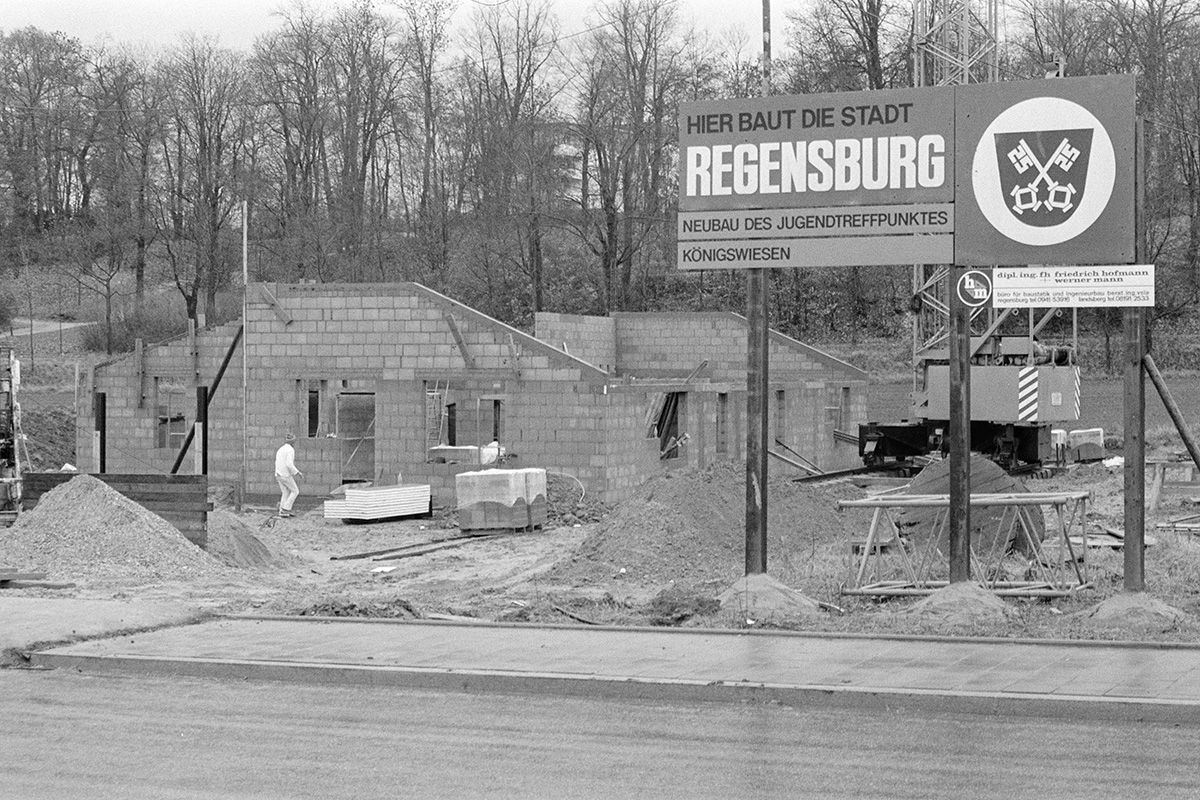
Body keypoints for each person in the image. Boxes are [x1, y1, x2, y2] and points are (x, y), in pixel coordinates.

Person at [274, 433, 303, 517]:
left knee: (285, 492)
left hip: (278, 474)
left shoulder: (281, 449)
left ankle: (281, 511)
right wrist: (297, 472)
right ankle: (286, 509)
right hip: (285, 475)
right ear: (293, 442)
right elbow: (289, 464)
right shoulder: (290, 450)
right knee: (295, 491)